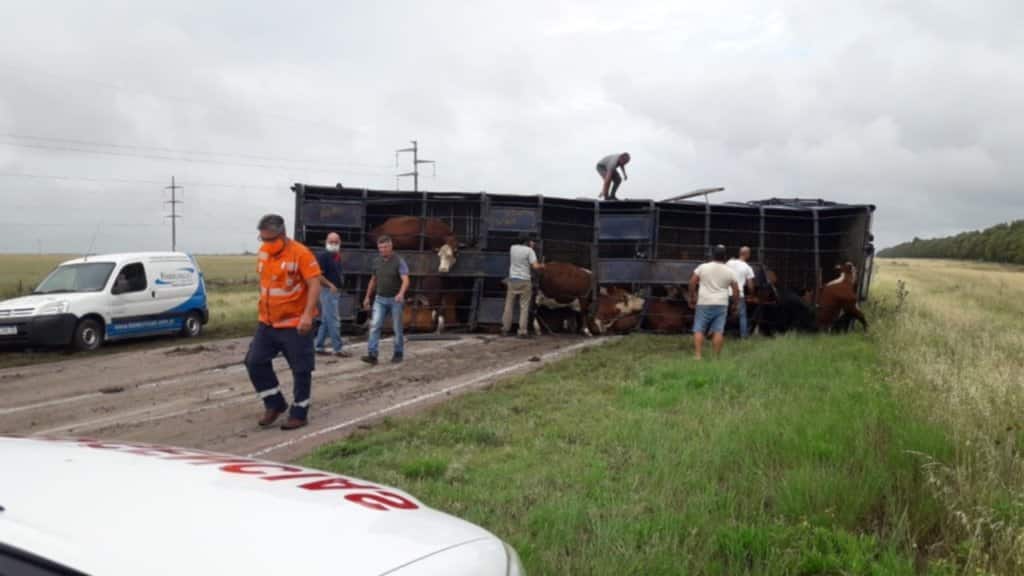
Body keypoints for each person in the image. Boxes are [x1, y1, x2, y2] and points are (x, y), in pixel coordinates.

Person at [245, 214, 322, 431]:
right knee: (254, 362)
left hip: (295, 324)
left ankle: (299, 412)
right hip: (268, 323)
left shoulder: (301, 253)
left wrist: (308, 315)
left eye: (269, 239)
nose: (266, 244)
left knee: (301, 369)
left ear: (282, 235)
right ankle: (275, 404)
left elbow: (314, 284)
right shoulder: (263, 254)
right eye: (262, 239)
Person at [361, 235, 410, 365]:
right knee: (375, 325)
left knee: (397, 327)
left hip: (395, 299)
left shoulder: (399, 261)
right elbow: (373, 280)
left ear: (391, 246)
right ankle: (372, 354)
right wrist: (367, 297)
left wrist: (401, 293)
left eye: (385, 247)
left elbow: (405, 279)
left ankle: (398, 353)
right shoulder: (376, 262)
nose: (383, 250)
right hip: (380, 298)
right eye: (380, 248)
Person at [688, 245, 740, 360]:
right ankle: (716, 358)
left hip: (703, 302)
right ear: (725, 257)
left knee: (699, 328)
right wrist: (735, 304)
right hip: (721, 304)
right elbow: (736, 290)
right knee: (718, 330)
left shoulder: (702, 267)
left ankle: (698, 355)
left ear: (712, 255)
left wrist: (692, 296)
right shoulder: (730, 271)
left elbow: (692, 282)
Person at [502, 232, 544, 337]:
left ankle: (505, 329)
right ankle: (522, 331)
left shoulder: (512, 248)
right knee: (524, 306)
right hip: (525, 280)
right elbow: (535, 266)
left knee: (509, 305)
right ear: (527, 242)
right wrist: (542, 265)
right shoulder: (530, 251)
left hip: (513, 280)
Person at [314, 232, 350, 357]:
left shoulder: (336, 256)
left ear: (339, 243)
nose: (333, 244)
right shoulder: (324, 257)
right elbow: (318, 275)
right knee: (334, 320)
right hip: (328, 292)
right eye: (331, 241)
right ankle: (338, 348)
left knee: (325, 320)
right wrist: (330, 285)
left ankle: (318, 346)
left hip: (334, 292)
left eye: (336, 242)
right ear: (326, 242)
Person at [726, 246, 756, 338]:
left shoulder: (729, 262)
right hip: (739, 295)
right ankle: (743, 336)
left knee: (722, 314)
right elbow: (750, 285)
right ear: (747, 254)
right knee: (742, 316)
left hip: (726, 293)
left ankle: (717, 333)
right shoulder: (748, 267)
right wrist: (751, 295)